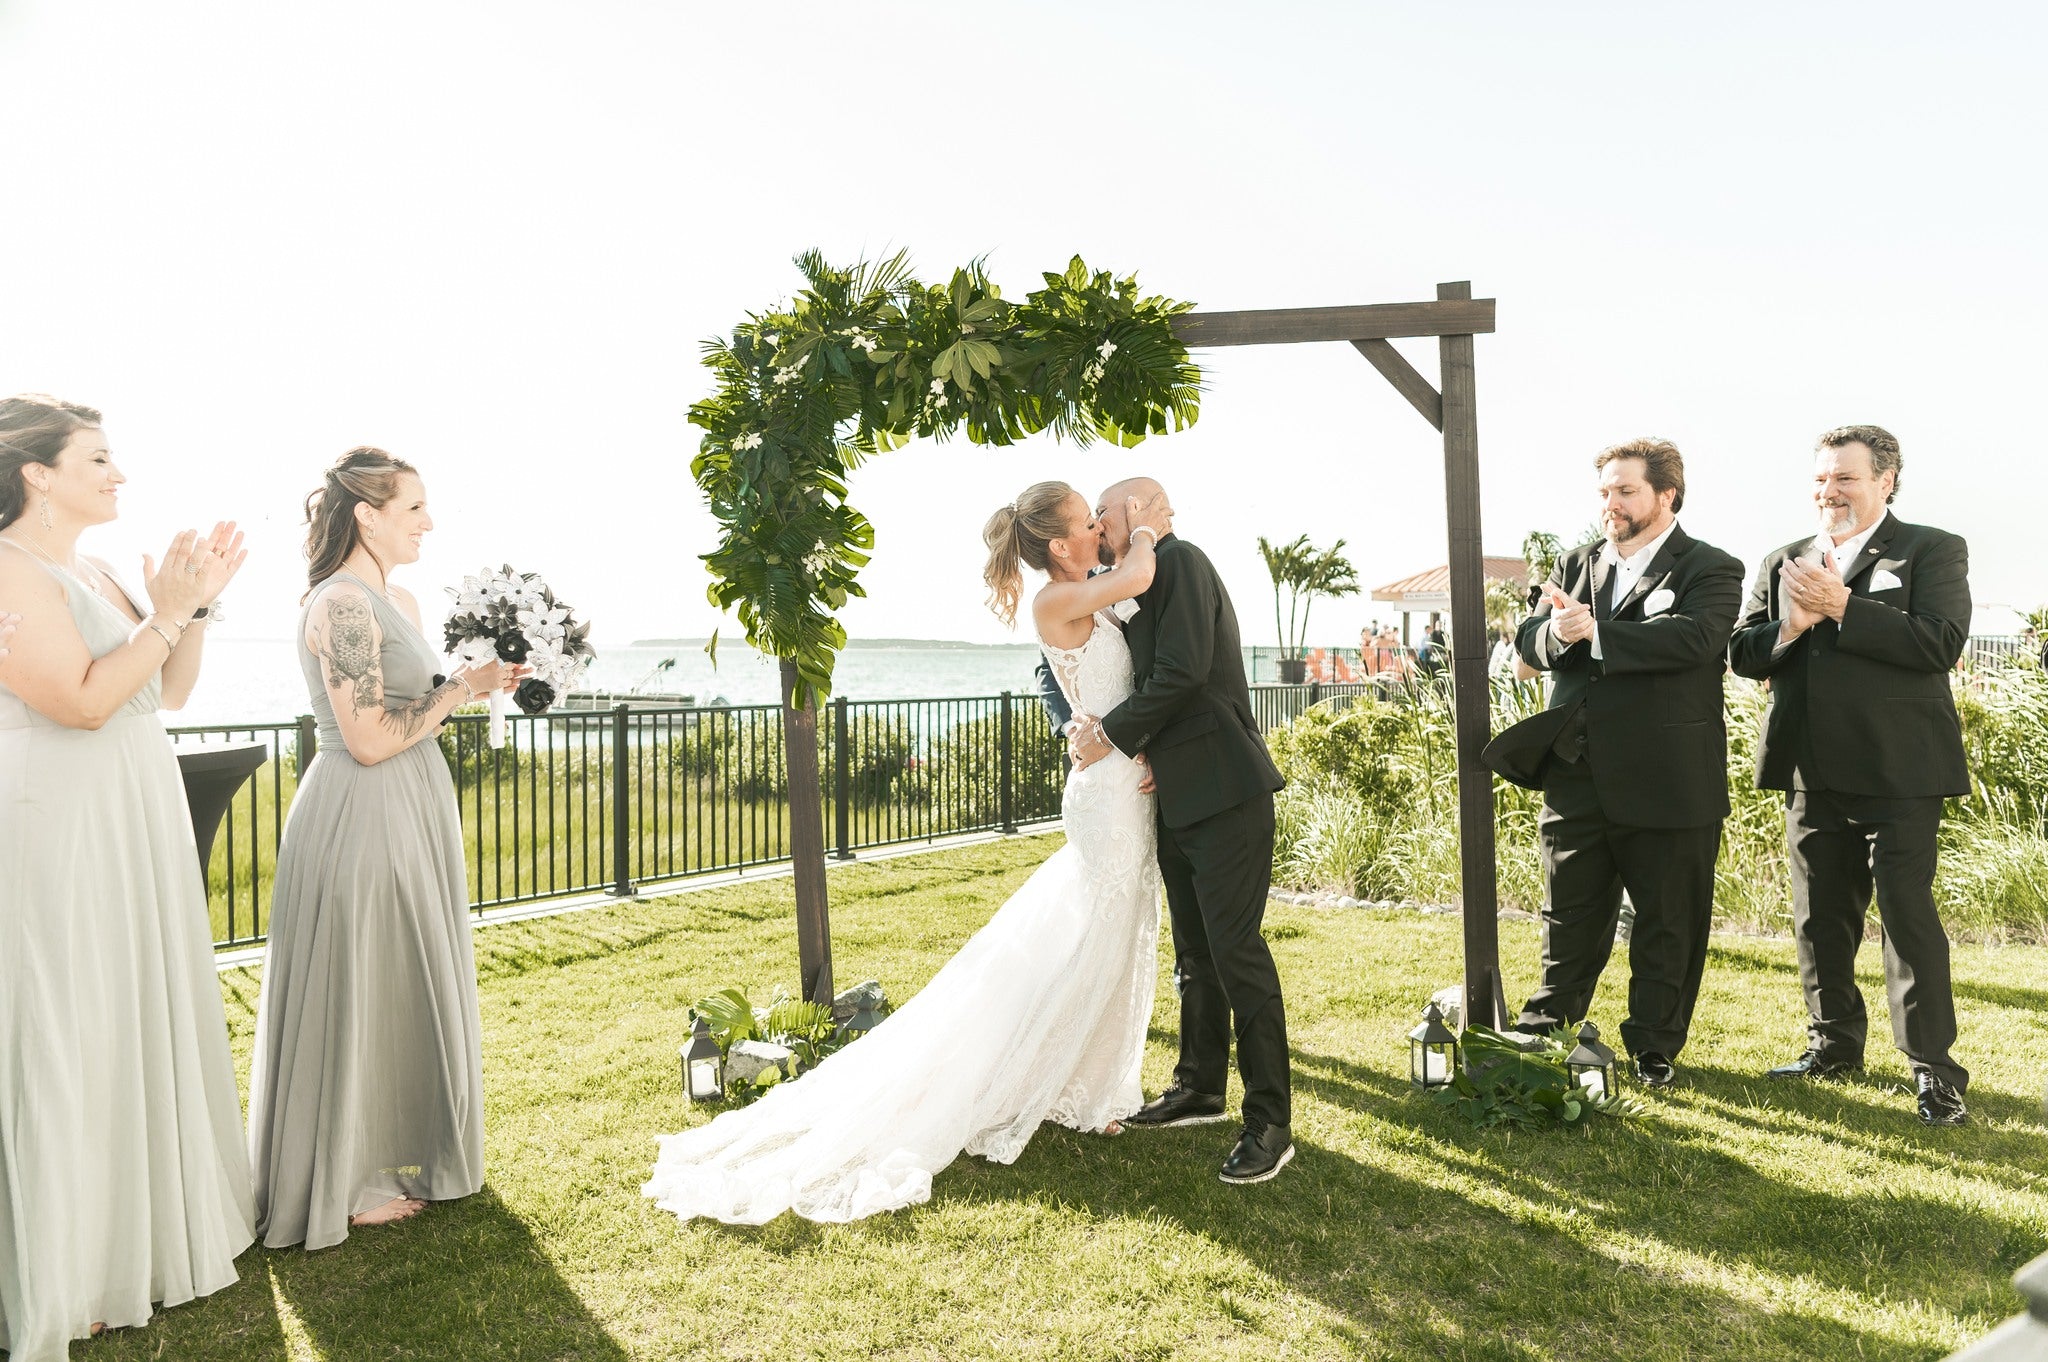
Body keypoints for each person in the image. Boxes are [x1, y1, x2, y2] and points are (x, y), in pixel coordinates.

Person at [643, 481, 1173, 1224]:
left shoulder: (1085, 589)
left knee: (1107, 940)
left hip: (1117, 775)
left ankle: (1080, 1085)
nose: (1100, 530)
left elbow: (1129, 661)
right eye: (1090, 523)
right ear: (1059, 544)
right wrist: (1148, 527)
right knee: (1095, 939)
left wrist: (1135, 738)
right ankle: (1063, 1090)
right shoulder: (1056, 601)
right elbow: (1141, 577)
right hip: (1105, 799)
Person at [0, 394, 254, 1361]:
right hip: (56, 821)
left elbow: (165, 691)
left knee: (124, 1015)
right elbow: (78, 702)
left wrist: (191, 608)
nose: (119, 476)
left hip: (131, 812)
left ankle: (132, 1243)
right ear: (37, 472)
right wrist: (170, 611)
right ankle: (66, 1269)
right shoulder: (8, 570)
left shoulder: (99, 568)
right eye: (99, 459)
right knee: (66, 1023)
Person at [246, 448, 521, 1249]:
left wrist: (477, 684)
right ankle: (349, 1179)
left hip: (412, 803)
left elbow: (417, 713)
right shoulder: (340, 606)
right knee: (356, 982)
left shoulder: (395, 597)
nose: (428, 522)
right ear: (367, 514)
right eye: (414, 509)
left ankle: (406, 1152)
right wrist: (458, 689)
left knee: (403, 975)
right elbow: (367, 738)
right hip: (359, 807)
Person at [1728, 425, 1973, 1126]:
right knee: (1819, 921)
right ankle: (1833, 1046)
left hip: (1901, 772)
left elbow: (1939, 642)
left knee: (1906, 918)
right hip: (1811, 770)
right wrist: (1792, 626)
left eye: (1844, 479)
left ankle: (1934, 1072)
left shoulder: (1931, 550)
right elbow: (1744, 655)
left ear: (1886, 481)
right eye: (1820, 480)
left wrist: (1843, 608)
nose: (1827, 492)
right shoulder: (1783, 559)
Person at [1482, 438, 1743, 1088]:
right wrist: (1555, 633)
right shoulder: (1577, 563)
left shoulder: (1711, 567)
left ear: (1666, 495)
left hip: (1672, 779)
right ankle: (1547, 1026)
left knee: (1668, 921)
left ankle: (1653, 1046)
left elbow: (1697, 638)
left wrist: (1597, 633)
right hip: (1578, 775)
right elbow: (1529, 641)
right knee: (1568, 912)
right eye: (1604, 491)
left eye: (1624, 490)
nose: (1611, 503)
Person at [1068, 478, 1293, 1185]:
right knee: (1195, 954)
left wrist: (1112, 735)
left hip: (1227, 791)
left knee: (1236, 952)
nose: (1096, 525)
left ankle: (1271, 1124)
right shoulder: (1135, 580)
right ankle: (1200, 1086)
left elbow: (1183, 673)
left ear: (1134, 509)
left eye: (1102, 512)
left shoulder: (1185, 561)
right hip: (1175, 792)